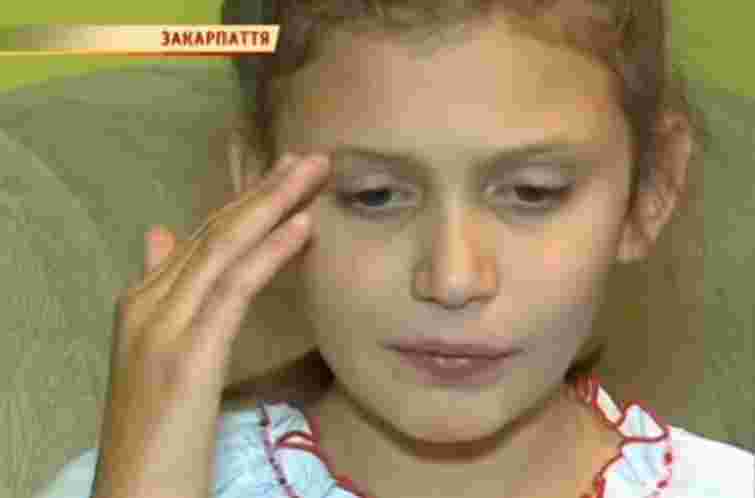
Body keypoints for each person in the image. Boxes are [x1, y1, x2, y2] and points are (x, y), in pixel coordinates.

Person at [34, 1, 754, 498]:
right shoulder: (136, 480)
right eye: (374, 195)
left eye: (532, 192)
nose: (452, 278)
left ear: (651, 187)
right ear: (260, 189)